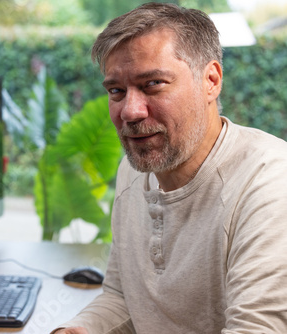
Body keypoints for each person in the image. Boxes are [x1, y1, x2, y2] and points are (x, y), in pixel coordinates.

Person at [52, 2, 287, 334]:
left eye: (153, 84)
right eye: (116, 91)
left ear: (211, 81)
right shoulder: (133, 171)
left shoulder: (271, 182)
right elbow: (122, 298)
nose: (130, 111)